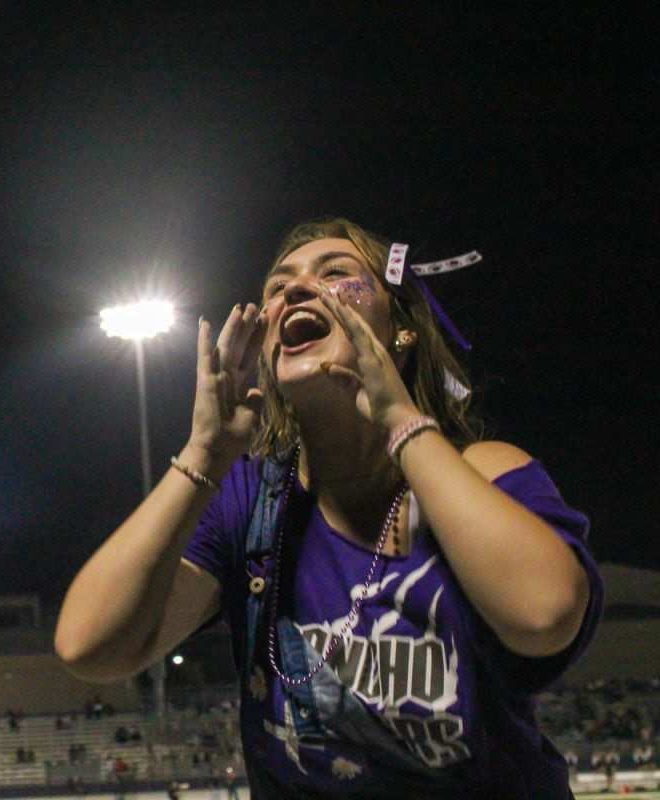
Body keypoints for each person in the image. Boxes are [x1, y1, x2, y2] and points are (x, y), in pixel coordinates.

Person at [55, 219, 603, 798]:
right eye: (277, 285)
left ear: (401, 332)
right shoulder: (247, 502)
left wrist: (400, 420)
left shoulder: (480, 471)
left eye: (337, 274)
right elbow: (89, 647)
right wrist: (204, 455)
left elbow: (545, 615)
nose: (295, 290)